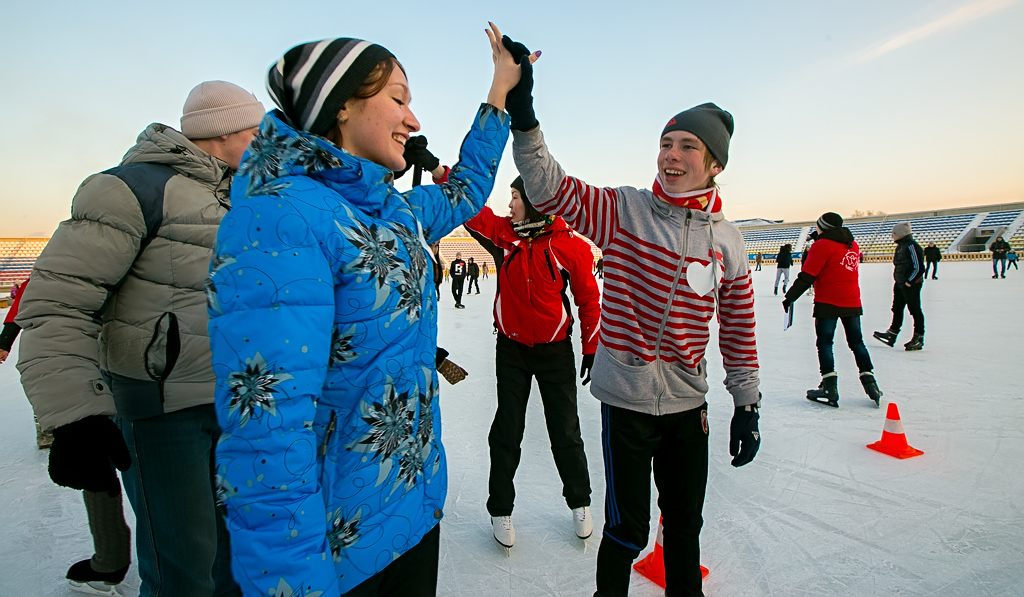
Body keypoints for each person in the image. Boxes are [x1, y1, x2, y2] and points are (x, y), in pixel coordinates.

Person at [206, 25, 524, 596]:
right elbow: (268, 429)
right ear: (343, 106)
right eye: (398, 99)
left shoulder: (392, 213)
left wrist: (499, 93)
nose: (414, 119)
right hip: (336, 543)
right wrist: (293, 582)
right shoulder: (282, 221)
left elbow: (466, 190)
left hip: (410, 508)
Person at [500, 33, 761, 597]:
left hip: (689, 408)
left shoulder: (728, 243)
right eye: (666, 141)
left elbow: (738, 327)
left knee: (685, 532)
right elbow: (549, 187)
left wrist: (746, 402)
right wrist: (524, 110)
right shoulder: (624, 212)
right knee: (624, 532)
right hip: (628, 404)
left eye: (687, 145)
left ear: (714, 162)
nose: (671, 153)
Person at [15, 81, 262, 596]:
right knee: (184, 570)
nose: (266, 142)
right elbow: (58, 302)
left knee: (237, 561)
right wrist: (76, 415)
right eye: (256, 130)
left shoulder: (244, 197)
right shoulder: (130, 189)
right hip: (164, 411)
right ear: (222, 132)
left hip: (237, 402)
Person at [464, 175, 601, 550]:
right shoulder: (505, 235)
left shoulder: (568, 246)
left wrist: (591, 348)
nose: (510, 206)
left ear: (534, 201)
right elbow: (473, 213)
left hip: (555, 351)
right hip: (511, 350)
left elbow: (589, 300)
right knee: (507, 429)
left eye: (515, 197)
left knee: (565, 429)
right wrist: (441, 173)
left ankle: (580, 501)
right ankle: (500, 509)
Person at [783, 213, 882, 407]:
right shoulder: (852, 244)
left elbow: (808, 276)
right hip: (852, 301)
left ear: (822, 227)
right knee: (857, 342)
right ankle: (871, 383)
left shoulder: (821, 246)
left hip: (828, 302)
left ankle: (829, 386)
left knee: (825, 342)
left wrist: (790, 297)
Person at [873, 222, 925, 351]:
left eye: (894, 234)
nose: (892, 236)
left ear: (901, 234)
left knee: (914, 310)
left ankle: (918, 338)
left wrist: (910, 282)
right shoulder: (901, 246)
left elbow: (919, 267)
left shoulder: (911, 246)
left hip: (910, 284)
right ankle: (892, 333)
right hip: (900, 282)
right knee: (896, 308)